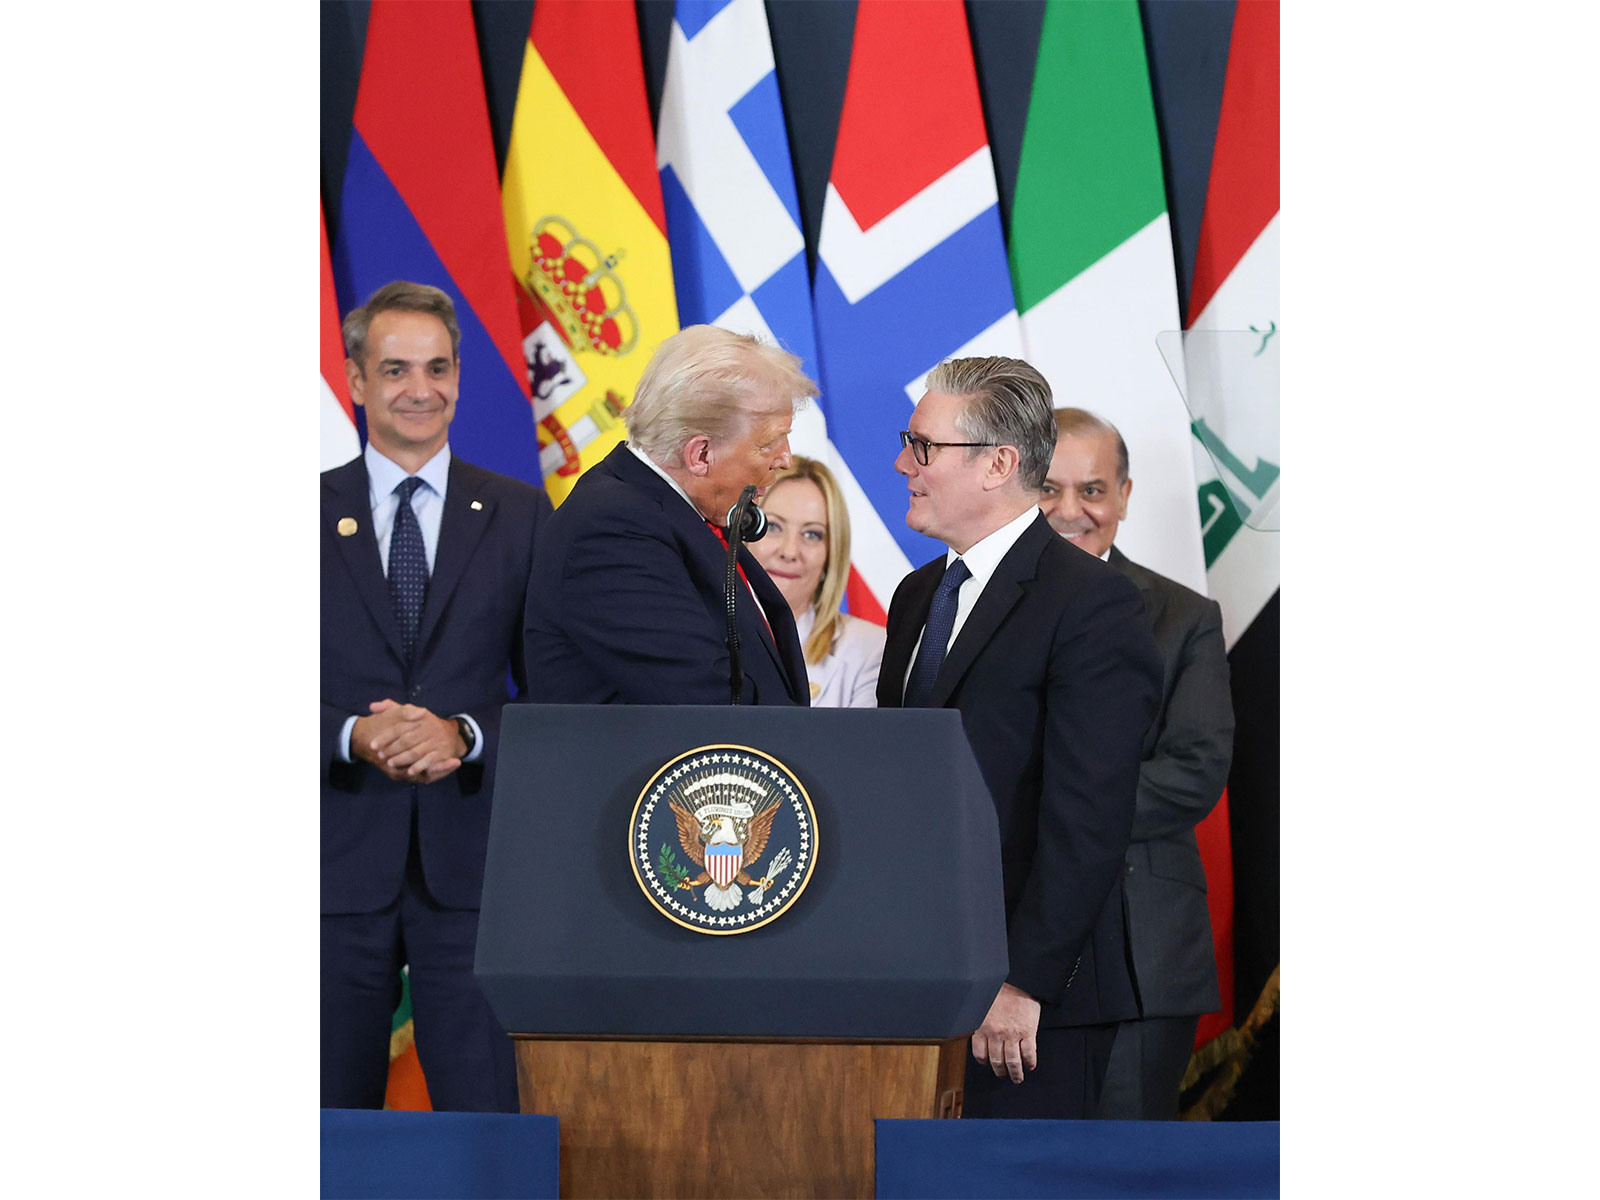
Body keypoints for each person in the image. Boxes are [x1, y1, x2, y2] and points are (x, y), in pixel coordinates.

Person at [876, 357, 1161, 1119]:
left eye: (923, 446)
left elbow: (1088, 816)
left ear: (999, 464)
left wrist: (1023, 981)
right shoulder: (916, 597)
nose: (904, 463)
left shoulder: (1092, 602)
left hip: (1030, 1009)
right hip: (919, 982)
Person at [321, 281, 552, 1111]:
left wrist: (463, 732)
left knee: (488, 1117)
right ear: (355, 380)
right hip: (328, 873)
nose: (420, 389)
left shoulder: (524, 515)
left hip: (476, 869)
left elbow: (556, 691)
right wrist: (352, 733)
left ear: (459, 376)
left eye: (438, 367)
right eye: (395, 369)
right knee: (318, 1127)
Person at [1039, 407, 1234, 1121]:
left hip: (1144, 947)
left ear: (1123, 495)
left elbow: (1195, 769)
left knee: (1125, 1165)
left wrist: (1053, 811)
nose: (1071, 510)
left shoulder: (1185, 617)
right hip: (1005, 951)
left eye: (1092, 490)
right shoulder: (969, 605)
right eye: (1050, 488)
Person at [525, 325, 815, 706]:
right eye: (769, 443)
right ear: (700, 455)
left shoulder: (676, 512)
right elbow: (706, 699)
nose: (786, 459)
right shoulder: (611, 533)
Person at [748, 456, 886, 707]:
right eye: (773, 527)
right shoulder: (703, 632)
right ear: (744, 534)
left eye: (811, 534)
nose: (790, 551)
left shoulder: (870, 650)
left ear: (832, 552)